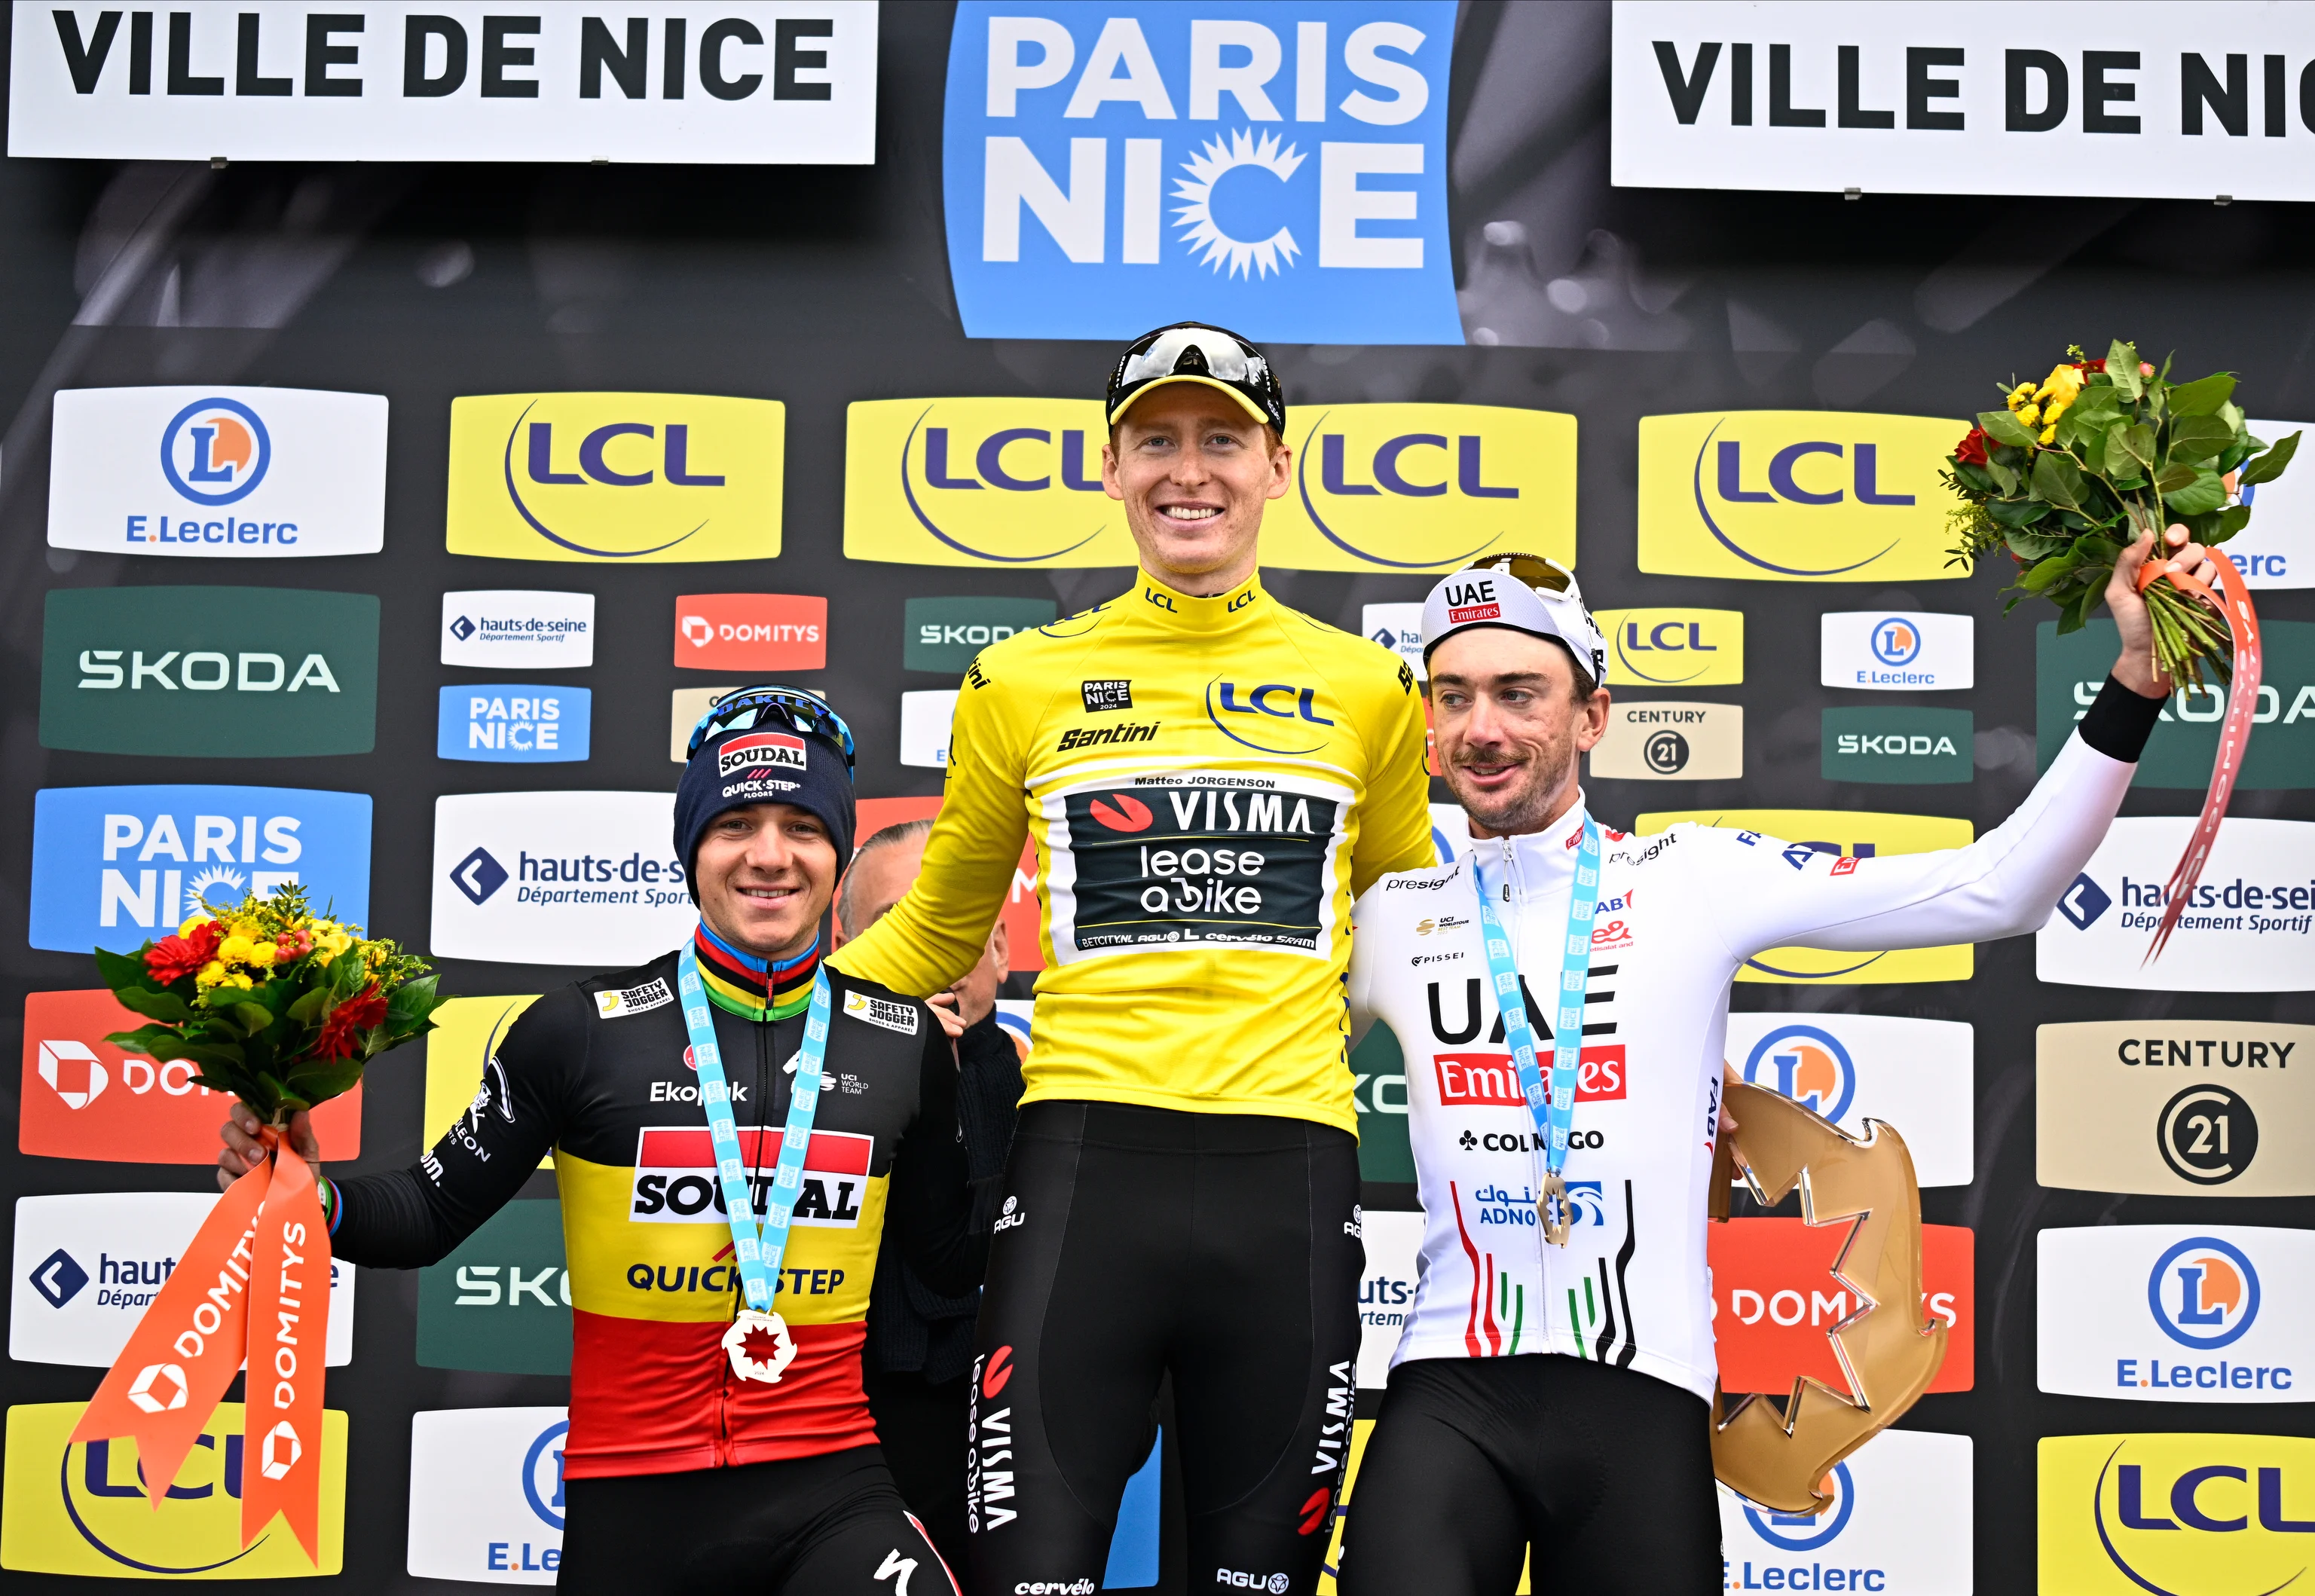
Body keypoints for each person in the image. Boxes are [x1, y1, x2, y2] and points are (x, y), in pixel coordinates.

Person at [1337, 531, 2203, 1595]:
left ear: (1592, 715)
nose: (1484, 728)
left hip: (1640, 1397)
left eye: (1521, 691)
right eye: (1455, 695)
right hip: (1443, 1393)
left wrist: (2134, 685)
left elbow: (2001, 888)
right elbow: (1227, 1055)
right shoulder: (1387, 917)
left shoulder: (1689, 875)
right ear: (1426, 725)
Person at [827, 323, 1437, 1596]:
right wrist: (727, 1011)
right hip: (1083, 1172)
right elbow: (939, 927)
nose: (1188, 470)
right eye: (1155, 438)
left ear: (1279, 462)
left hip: (1291, 1175)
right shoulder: (1022, 679)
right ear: (1108, 467)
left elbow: (1405, 925)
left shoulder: (1371, 689)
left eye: (1221, 438)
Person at [219, 686, 978, 1596]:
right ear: (690, 848)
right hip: (634, 1503)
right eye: (735, 824)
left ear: (837, 853)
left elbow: (950, 1256)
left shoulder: (904, 1042)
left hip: (834, 1487)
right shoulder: (582, 1031)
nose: (770, 857)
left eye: (802, 827)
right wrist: (302, 1191)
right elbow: (428, 1211)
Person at [834, 818, 1025, 1577]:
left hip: (1028, 1425)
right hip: (845, 1426)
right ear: (849, 952)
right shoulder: (793, 1096)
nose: (935, 950)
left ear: (1004, 949)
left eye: (957, 920)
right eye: (898, 927)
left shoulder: (1069, 1089)